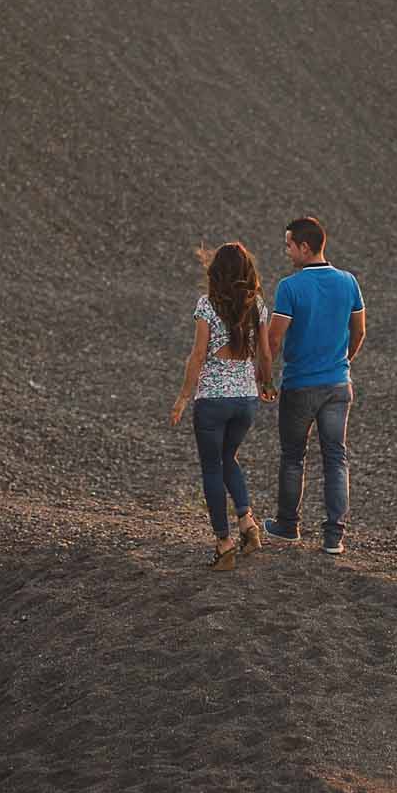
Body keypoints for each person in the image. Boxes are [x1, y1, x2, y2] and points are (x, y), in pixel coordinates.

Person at [169, 242, 277, 570]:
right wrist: (267, 384)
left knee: (212, 467)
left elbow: (198, 355)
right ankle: (247, 523)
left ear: (216, 272)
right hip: (245, 400)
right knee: (229, 457)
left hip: (213, 401)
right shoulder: (256, 304)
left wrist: (183, 397)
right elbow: (265, 353)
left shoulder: (206, 305)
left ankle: (224, 543)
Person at [263, 216, 365, 555]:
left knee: (293, 456)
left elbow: (274, 338)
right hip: (338, 384)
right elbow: (359, 331)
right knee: (336, 457)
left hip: (300, 385)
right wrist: (343, 360)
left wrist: (263, 375)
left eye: (289, 244)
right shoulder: (349, 281)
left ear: (305, 247)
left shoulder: (290, 287)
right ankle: (334, 537)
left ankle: (288, 525)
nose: (286, 250)